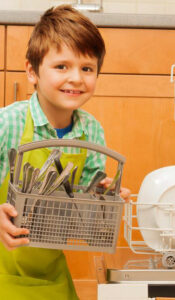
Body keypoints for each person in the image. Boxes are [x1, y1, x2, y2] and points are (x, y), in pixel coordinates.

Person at [0, 5, 130, 299]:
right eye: (62, 66)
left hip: (51, 274)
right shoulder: (8, 123)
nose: (76, 78)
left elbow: (81, 211)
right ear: (32, 72)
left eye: (87, 68)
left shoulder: (91, 132)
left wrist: (103, 198)